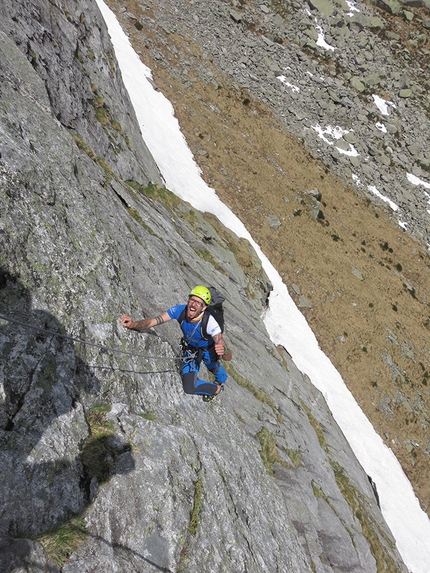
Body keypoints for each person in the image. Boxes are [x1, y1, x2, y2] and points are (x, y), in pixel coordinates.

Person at [120, 286, 232, 401]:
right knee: (189, 388)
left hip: (209, 350)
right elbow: (152, 321)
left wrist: (224, 351)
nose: (193, 304)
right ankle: (217, 389)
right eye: (192, 300)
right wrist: (132, 325)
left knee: (213, 367)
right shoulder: (179, 311)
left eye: (198, 303)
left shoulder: (210, 323)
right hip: (191, 350)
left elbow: (227, 356)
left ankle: (221, 380)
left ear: (204, 308)